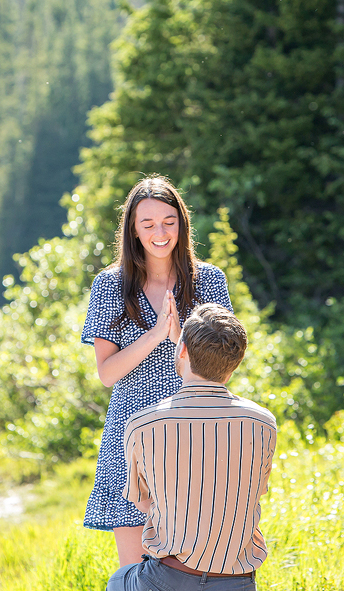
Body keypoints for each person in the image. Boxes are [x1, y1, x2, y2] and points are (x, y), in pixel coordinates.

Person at [82, 176, 233, 566]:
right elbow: (107, 373)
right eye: (147, 224)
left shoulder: (209, 281)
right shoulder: (110, 285)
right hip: (132, 436)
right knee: (135, 574)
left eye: (168, 221)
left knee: (190, 565)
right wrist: (154, 335)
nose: (159, 232)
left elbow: (221, 367)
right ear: (133, 230)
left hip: (195, 431)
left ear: (181, 222)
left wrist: (179, 335)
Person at [107, 303, 277, 591]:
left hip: (167, 579)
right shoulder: (263, 423)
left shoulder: (142, 424)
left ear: (182, 350)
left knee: (118, 580)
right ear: (238, 359)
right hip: (237, 583)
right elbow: (254, 493)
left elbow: (142, 501)